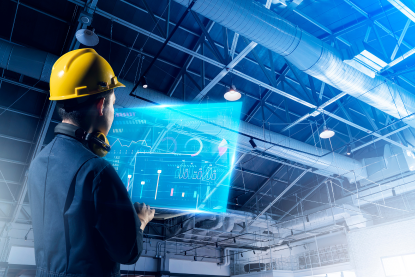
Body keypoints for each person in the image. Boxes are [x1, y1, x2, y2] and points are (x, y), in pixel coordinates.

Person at [27, 48, 155, 277]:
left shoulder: (38, 163)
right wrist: (141, 222)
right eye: (113, 103)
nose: (113, 112)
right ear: (100, 106)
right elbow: (127, 252)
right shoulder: (97, 171)